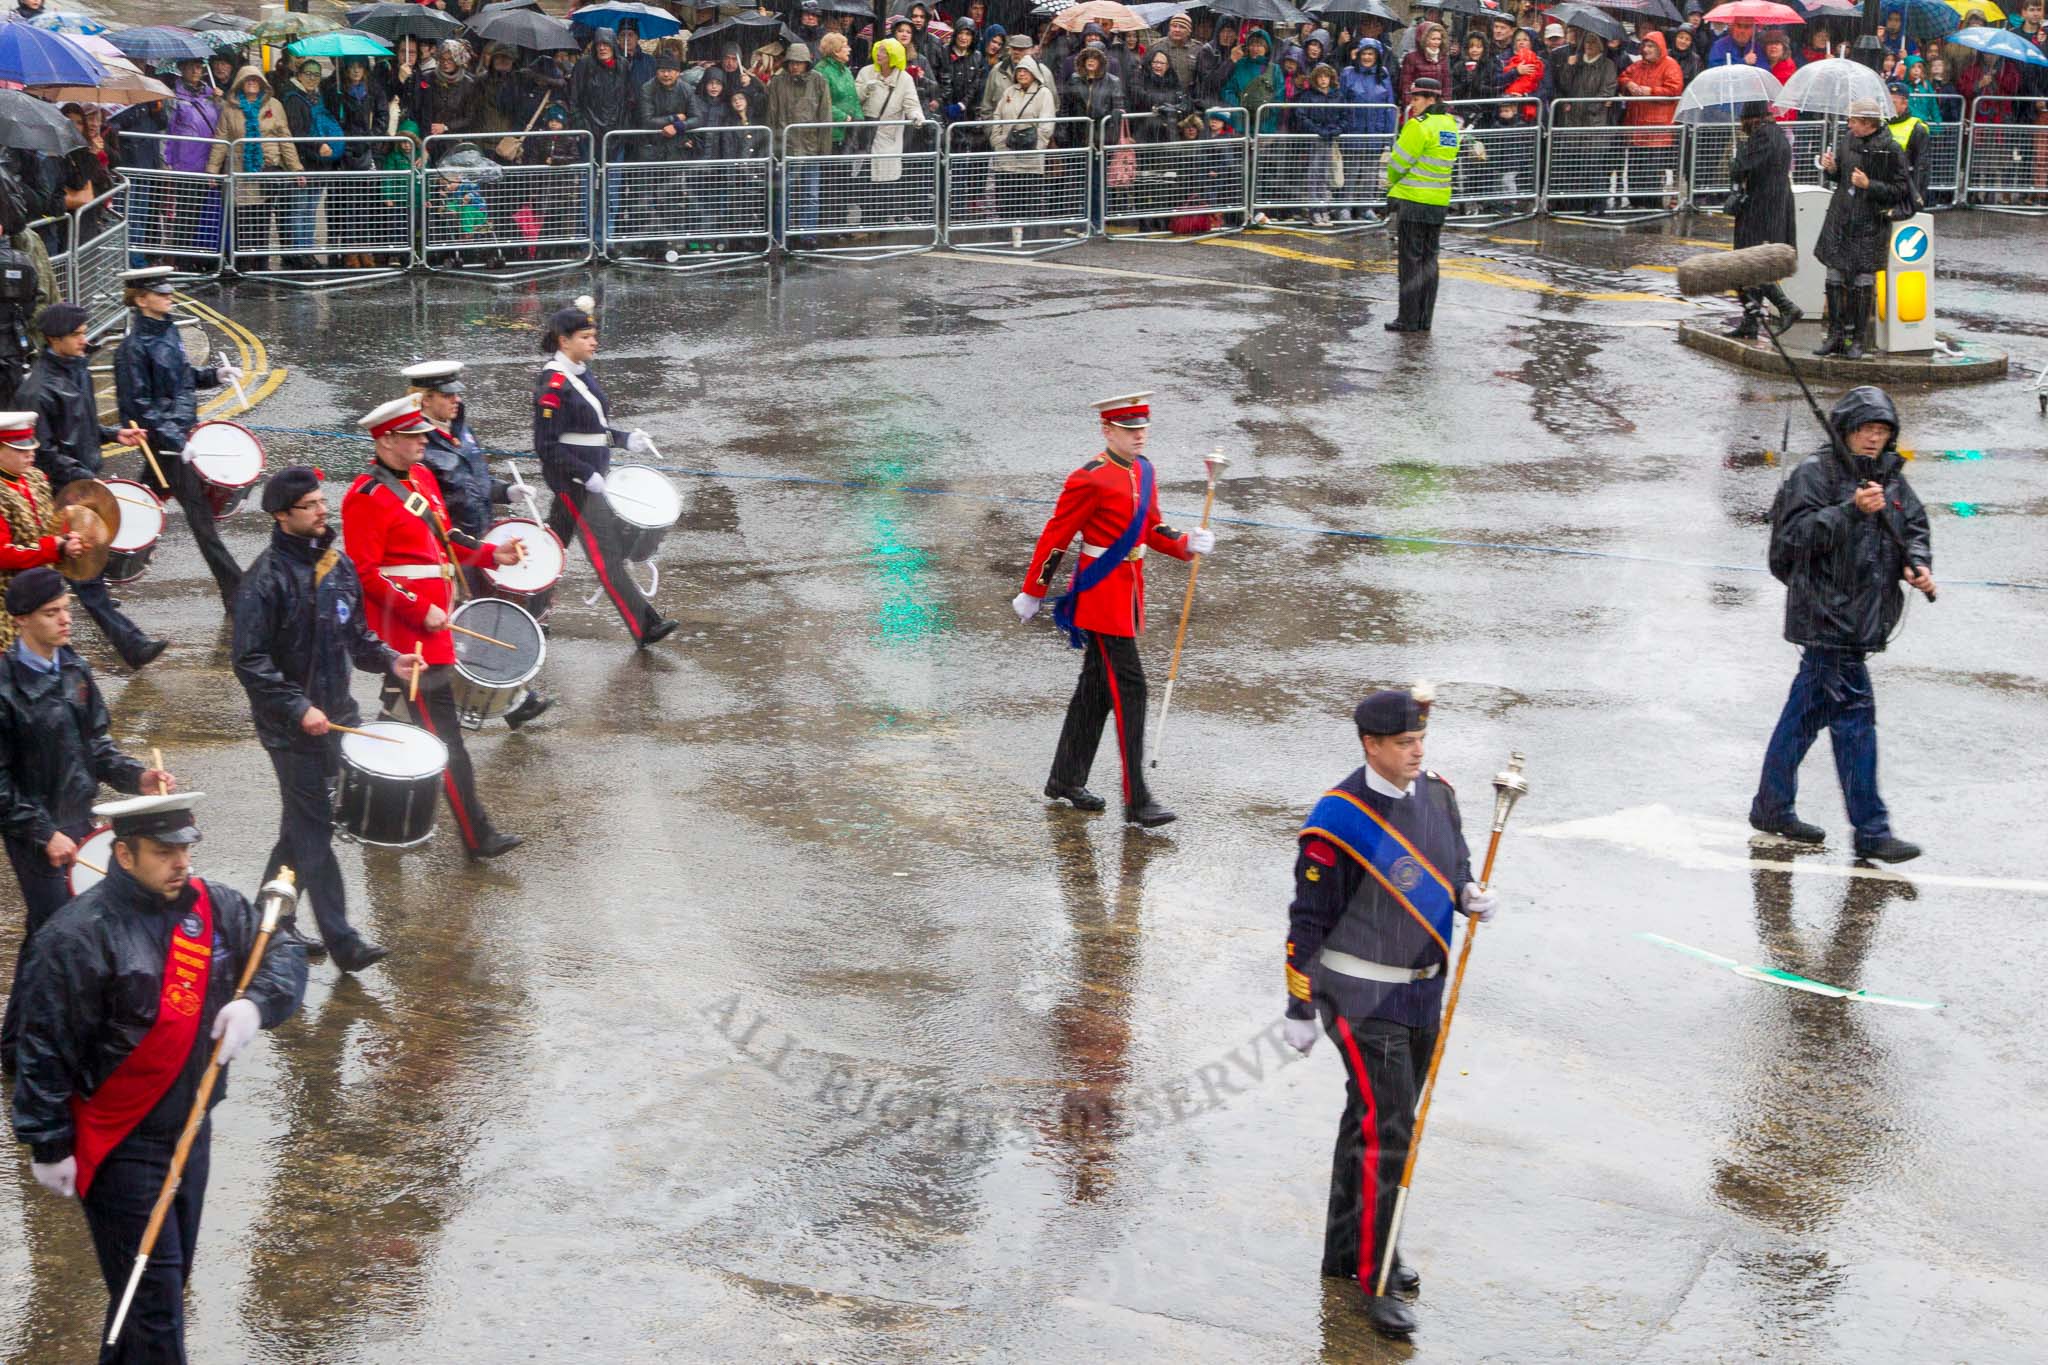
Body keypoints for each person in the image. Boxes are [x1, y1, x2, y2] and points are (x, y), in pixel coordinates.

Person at [10, 791, 307, 1362]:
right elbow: (44, 1047)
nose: (181, 863)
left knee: (153, 1290)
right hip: (121, 1140)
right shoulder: (76, 937)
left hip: (191, 1125)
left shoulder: (214, 906)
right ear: (123, 855)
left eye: (186, 849)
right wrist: (46, 1142)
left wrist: (260, 1004)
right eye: (164, 852)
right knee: (154, 1304)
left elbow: (283, 948)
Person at [1276, 685, 1493, 1340]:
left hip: (1422, 991)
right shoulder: (1337, 821)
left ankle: (1345, 1253)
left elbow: (1448, 861)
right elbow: (1309, 919)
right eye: (1404, 742)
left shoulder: (1439, 794)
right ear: (1372, 744)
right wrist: (1298, 1002)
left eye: (1420, 739)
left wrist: (1466, 891)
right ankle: (1376, 1273)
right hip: (1360, 996)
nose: (1416, 750)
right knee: (1388, 1130)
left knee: (1370, 1118)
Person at [232, 467, 423, 972]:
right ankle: (343, 941)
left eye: (322, 501)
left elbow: (356, 637)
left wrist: (391, 660)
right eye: (310, 505)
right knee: (315, 830)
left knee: (303, 823)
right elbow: (249, 661)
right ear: (281, 516)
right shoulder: (263, 579)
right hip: (289, 729)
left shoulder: (337, 567)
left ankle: (265, 914)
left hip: (337, 717)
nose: (323, 511)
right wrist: (297, 707)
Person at [1012, 392, 1216, 828]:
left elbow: (1152, 526)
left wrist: (1185, 543)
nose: (1139, 435)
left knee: (1096, 689)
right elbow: (1056, 536)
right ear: (1107, 431)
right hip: (1101, 597)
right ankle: (1137, 799)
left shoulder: (1144, 470)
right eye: (1129, 429)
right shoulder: (1089, 478)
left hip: (1129, 592)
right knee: (1131, 690)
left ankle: (1065, 778)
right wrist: (1034, 589)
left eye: (1142, 428)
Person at [0, 565, 176, 1069]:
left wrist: (136, 776)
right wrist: (42, 832)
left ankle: (16, 1048)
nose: (65, 621)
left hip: (82, 821)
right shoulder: (4, 686)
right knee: (65, 933)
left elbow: (97, 746)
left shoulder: (75, 669)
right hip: (34, 830)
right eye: (52, 613)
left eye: (67, 610)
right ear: (21, 621)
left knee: (48, 935)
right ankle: (57, 1047)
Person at [341, 394, 523, 860]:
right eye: (413, 435)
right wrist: (418, 610)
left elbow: (446, 539)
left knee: (397, 723)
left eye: (422, 433)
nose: (424, 440)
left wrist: (488, 554)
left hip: (434, 626)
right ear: (386, 440)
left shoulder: (421, 477)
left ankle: (354, 800)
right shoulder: (364, 498)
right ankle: (476, 835)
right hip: (410, 636)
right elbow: (367, 573)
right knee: (446, 740)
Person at [1753, 386, 1930, 863]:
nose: (1874, 439)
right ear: (1846, 431)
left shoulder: (1890, 479)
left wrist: (1916, 563)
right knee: (1856, 724)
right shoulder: (1815, 475)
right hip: (1829, 622)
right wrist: (1851, 511)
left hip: (1862, 621)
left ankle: (1771, 807)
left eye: (1883, 431)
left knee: (1803, 718)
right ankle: (1871, 830)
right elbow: (1790, 542)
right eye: (1866, 429)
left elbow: (1912, 527)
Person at [14, 305, 169, 670]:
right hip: (63, 496)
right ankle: (130, 645)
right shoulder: (35, 391)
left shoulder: (77, 369)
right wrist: (85, 476)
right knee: (85, 580)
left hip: (85, 487)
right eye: (78, 334)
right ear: (55, 340)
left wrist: (115, 434)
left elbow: (83, 427)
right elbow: (44, 453)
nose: (86, 339)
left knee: (83, 575)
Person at [407, 359, 551, 729]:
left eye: (457, 393)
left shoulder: (460, 430)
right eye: (447, 394)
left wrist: (505, 491)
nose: (456, 400)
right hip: (453, 549)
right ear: (424, 399)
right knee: (465, 626)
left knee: (493, 618)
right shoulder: (420, 445)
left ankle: (515, 701)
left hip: (482, 539)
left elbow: (475, 480)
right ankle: (448, 703)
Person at [532, 302, 679, 649]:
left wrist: (627, 439)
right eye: (586, 336)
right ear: (563, 341)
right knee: (606, 557)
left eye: (594, 335)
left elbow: (591, 431)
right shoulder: (554, 384)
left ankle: (530, 614)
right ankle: (644, 625)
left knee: (552, 547)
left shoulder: (580, 373)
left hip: (590, 478)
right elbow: (546, 446)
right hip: (576, 484)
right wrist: (584, 474)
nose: (593, 342)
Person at [111, 266, 246, 611]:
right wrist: (175, 440)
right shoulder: (132, 349)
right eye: (161, 292)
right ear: (141, 300)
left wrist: (215, 375)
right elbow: (138, 407)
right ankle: (237, 591)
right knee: (200, 520)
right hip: (167, 445)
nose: (170, 296)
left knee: (141, 507)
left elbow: (182, 380)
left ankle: (94, 573)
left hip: (181, 437)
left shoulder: (168, 332)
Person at [1813, 97, 1911, 360]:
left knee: (1862, 282)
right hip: (1841, 217)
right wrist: (1832, 169)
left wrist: (1870, 185)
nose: (1849, 124)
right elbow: (1841, 176)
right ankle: (1834, 336)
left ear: (1868, 123)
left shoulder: (1890, 149)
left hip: (1869, 223)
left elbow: (1901, 190)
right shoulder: (1847, 140)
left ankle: (1857, 339)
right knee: (1834, 277)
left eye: (1854, 120)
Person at [205, 67, 307, 268]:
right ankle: (241, 264)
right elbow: (221, 139)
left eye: (255, 79)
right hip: (240, 172)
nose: (252, 82)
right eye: (247, 79)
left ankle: (261, 264)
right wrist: (212, 170)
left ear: (261, 83)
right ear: (240, 83)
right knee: (241, 220)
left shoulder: (274, 105)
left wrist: (296, 168)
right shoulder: (229, 108)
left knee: (262, 218)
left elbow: (285, 139)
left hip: (266, 170)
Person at [1383, 77, 1459, 333]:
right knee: (1429, 261)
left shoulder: (1418, 126)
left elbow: (1398, 164)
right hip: (1438, 202)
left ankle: (1408, 318)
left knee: (1410, 262)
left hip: (1413, 201)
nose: (1412, 103)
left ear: (1430, 99)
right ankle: (1425, 318)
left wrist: (1390, 184)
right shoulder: (1450, 124)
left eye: (1416, 98)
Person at [1725, 101, 1802, 338]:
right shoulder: (1776, 134)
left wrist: (1737, 156)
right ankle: (1750, 322)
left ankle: (1786, 306)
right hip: (1773, 207)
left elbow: (1741, 168)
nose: (1741, 126)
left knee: (1747, 264)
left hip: (1760, 210)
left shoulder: (1762, 138)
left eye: (1743, 121)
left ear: (1752, 119)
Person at [765, 43, 832, 249]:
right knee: (782, 196)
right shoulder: (778, 82)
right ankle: (779, 236)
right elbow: (772, 115)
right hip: (786, 147)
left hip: (811, 146)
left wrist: (824, 150)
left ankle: (808, 236)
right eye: (792, 63)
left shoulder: (819, 81)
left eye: (799, 63)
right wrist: (773, 148)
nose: (795, 67)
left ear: (806, 64)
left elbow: (825, 115)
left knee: (811, 196)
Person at [1885, 79, 1930, 200]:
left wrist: (1916, 195)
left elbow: (1921, 166)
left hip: (1903, 188)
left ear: (1904, 103)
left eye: (1893, 103)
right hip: (1882, 187)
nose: (1888, 106)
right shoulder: (1880, 124)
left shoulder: (1917, 128)